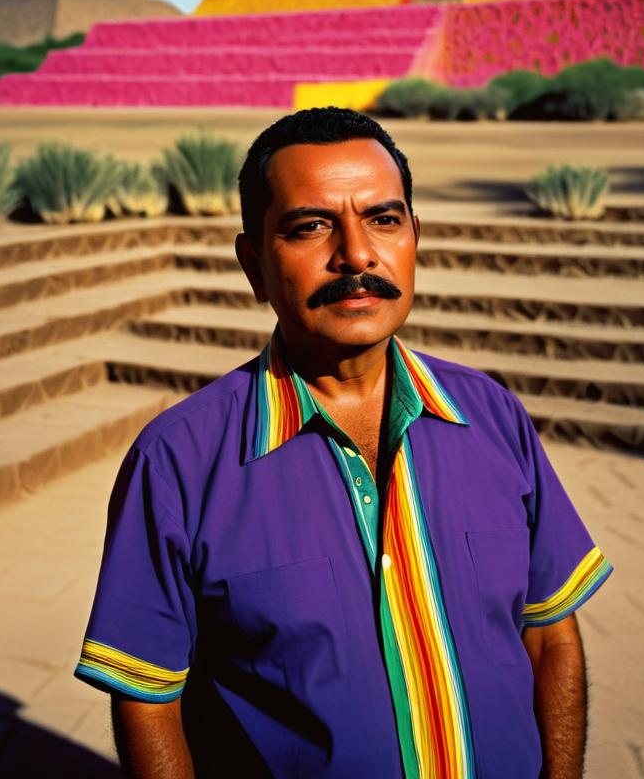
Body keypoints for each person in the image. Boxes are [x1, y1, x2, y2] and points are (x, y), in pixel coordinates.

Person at [75, 107, 612, 779]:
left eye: (384, 220)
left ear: (415, 237)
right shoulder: (179, 461)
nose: (357, 254)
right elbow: (149, 700)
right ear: (253, 264)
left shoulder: (495, 418)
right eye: (310, 227)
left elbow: (550, 634)